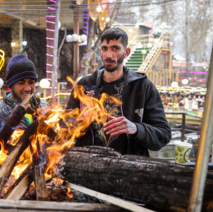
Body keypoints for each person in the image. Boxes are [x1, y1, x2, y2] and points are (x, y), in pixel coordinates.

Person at [66, 28, 171, 156]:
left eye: (115, 49)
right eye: (105, 48)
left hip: (129, 169)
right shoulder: (84, 86)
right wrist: (82, 120)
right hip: (89, 167)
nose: (109, 55)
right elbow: (64, 131)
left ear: (126, 52)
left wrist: (136, 128)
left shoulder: (142, 87)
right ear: (100, 51)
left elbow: (163, 135)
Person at [0, 54, 47, 151]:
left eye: (31, 82)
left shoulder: (44, 108)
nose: (28, 88)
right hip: (10, 166)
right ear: (11, 85)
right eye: (21, 83)